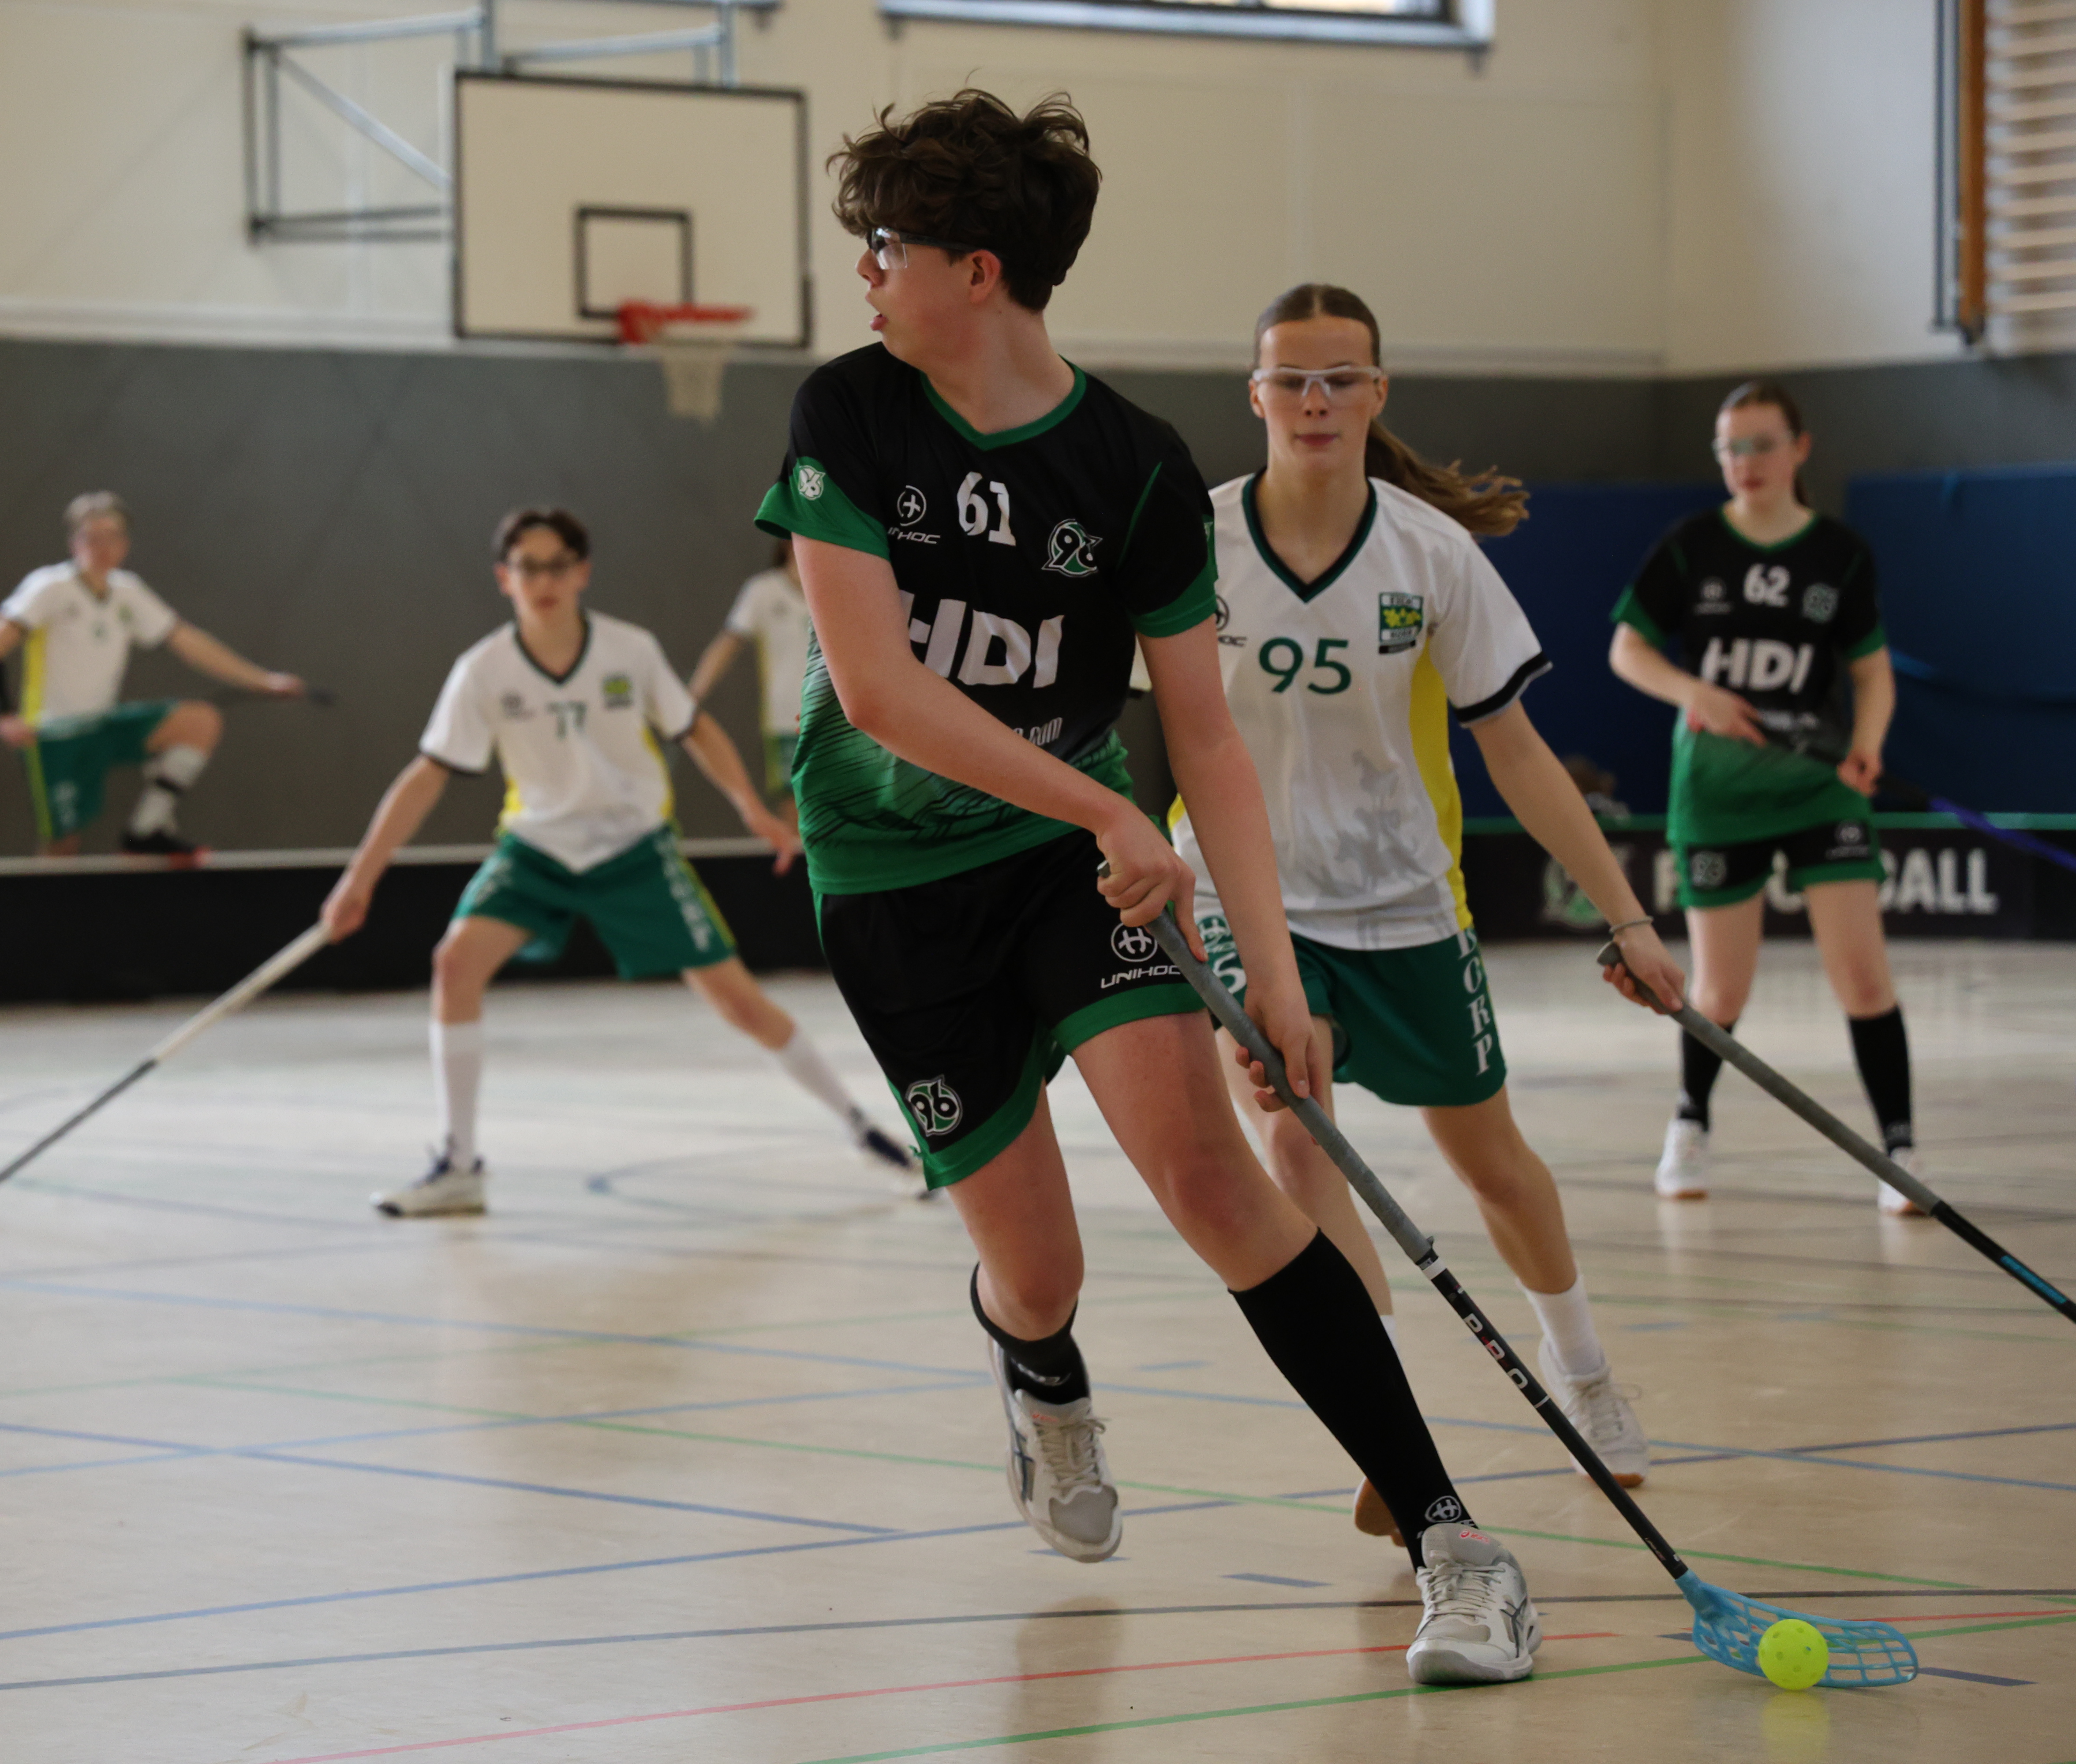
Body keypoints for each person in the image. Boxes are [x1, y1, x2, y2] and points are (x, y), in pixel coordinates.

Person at [753, 91, 1555, 1686]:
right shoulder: (847, 413)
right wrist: (1107, 808)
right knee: (1035, 1266)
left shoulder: (1128, 468)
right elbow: (880, 685)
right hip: (893, 882)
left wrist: (1271, 969)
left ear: (978, 270)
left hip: (1073, 873)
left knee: (1212, 1178)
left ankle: (1454, 1536)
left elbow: (1206, 738)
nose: (862, 272)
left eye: (884, 247)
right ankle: (1039, 1371)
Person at [1177, 283, 1687, 1544]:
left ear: (1377, 393)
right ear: (1254, 394)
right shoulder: (1192, 546)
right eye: (1290, 378)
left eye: (1339, 378)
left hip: (1406, 899)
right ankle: (1385, 1418)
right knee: (1298, 1131)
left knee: (1490, 1164)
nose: (1314, 400)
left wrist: (1624, 916)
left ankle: (1583, 1373)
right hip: (1249, 898)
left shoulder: (1430, 554)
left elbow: (1516, 754)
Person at [323, 507, 915, 1217]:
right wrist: (360, 879)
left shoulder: (629, 652)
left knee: (737, 1002)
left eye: (555, 565)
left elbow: (694, 731)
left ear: (582, 572)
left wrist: (749, 809)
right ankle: (458, 1164)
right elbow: (427, 776)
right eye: (526, 567)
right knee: (456, 963)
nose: (541, 581)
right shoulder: (483, 670)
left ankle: (862, 1127)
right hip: (538, 848)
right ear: (504, 579)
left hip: (635, 850)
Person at [1608, 381, 1920, 1213]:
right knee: (1721, 991)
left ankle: (1900, 1150)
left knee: (1862, 976)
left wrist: (1867, 747)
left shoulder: (1841, 554)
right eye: (1730, 447)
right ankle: (1689, 1124)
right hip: (1716, 795)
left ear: (1799, 449)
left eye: (1760, 444)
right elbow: (1628, 650)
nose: (1744, 463)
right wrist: (1693, 693)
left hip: (1822, 793)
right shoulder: (1691, 547)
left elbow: (1872, 673)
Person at [0, 491, 303, 859]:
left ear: (125, 544)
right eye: (92, 538)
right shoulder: (50, 587)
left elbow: (188, 641)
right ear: (74, 543)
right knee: (62, 848)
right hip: (54, 735)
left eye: (112, 537)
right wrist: (4, 714)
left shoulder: (128, 591)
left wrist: (262, 680)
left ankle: (146, 830)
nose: (102, 548)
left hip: (102, 726)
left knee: (199, 722)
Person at [686, 538, 810, 813]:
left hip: (844, 719)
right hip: (786, 720)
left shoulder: (842, 586)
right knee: (796, 807)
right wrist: (692, 694)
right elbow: (728, 643)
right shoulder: (763, 591)